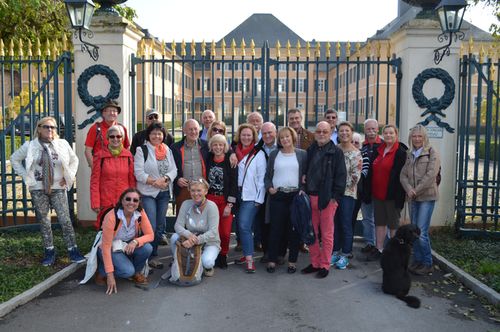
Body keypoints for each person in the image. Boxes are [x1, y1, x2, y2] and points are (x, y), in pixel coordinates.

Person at [10, 116, 85, 266]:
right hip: (38, 189)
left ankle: (73, 250)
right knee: (44, 221)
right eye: (46, 127)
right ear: (39, 128)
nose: (50, 130)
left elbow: (74, 159)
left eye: (53, 127)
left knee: (65, 220)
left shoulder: (62, 144)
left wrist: (68, 175)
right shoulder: (30, 146)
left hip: (58, 187)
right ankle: (49, 251)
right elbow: (14, 159)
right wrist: (26, 176)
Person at [301, 121, 346, 278]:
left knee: (327, 234)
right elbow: (305, 170)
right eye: (319, 131)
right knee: (312, 232)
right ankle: (315, 263)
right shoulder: (311, 149)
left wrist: (335, 198)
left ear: (330, 132)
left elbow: (341, 177)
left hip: (327, 198)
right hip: (310, 196)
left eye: (324, 132)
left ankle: (325, 265)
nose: (321, 134)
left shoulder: (336, 152)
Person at [264, 127, 307, 274]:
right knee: (276, 229)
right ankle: (272, 260)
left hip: (295, 196)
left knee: (293, 230)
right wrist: (269, 188)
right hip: (278, 196)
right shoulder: (275, 154)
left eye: (287, 137)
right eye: (282, 138)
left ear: (292, 137)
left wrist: (303, 188)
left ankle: (292, 262)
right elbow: (268, 176)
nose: (285, 140)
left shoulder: (302, 154)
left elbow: (305, 176)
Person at [134, 122, 177, 268]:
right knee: (150, 225)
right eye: (153, 133)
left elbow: (174, 170)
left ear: (163, 135)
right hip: (148, 194)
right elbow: (139, 173)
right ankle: (146, 257)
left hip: (164, 193)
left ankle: (154, 254)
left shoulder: (167, 150)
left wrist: (165, 179)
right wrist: (154, 182)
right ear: (149, 135)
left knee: (159, 226)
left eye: (159, 133)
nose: (156, 136)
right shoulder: (142, 150)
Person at [96, 188, 154, 294]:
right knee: (127, 271)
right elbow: (106, 246)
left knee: (147, 248)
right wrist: (110, 275)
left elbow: (150, 235)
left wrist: (135, 241)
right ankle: (103, 271)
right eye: (128, 199)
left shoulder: (140, 213)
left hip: (127, 244)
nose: (131, 203)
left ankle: (135, 273)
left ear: (139, 203)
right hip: (111, 247)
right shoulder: (112, 216)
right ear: (122, 201)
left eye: (135, 200)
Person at [400, 124, 440, 275]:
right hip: (412, 197)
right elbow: (403, 175)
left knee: (421, 232)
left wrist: (415, 190)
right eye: (414, 136)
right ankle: (417, 260)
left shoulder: (432, 152)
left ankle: (427, 263)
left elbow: (431, 175)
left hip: (426, 197)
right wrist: (408, 189)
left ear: (424, 137)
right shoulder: (410, 153)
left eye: (419, 136)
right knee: (413, 231)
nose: (417, 139)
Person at [366, 124, 407, 261]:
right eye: (386, 133)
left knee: (393, 224)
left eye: (391, 133)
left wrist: (399, 196)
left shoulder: (400, 152)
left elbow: (401, 176)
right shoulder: (379, 149)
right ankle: (379, 249)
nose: (388, 135)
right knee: (380, 222)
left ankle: (394, 252)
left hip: (392, 195)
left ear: (396, 135)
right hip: (377, 194)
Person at [233, 123, 267, 273]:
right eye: (243, 134)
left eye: (249, 135)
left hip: (251, 196)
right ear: (239, 136)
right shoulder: (234, 151)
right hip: (236, 194)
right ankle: (247, 252)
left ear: (253, 136)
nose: (246, 137)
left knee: (244, 226)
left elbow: (262, 179)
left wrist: (259, 200)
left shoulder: (258, 154)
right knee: (240, 227)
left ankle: (249, 260)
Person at [171, 178, 220, 277]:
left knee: (208, 262)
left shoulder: (212, 206)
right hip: (190, 238)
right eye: (193, 190)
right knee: (174, 237)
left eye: (199, 190)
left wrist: (195, 240)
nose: (195, 193)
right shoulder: (186, 204)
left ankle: (206, 266)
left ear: (205, 191)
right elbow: (178, 225)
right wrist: (188, 235)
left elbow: (213, 232)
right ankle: (178, 260)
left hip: (208, 242)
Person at [90, 125, 136, 229]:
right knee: (107, 230)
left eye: (118, 136)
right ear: (108, 138)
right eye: (112, 136)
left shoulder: (128, 156)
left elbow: (132, 181)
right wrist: (95, 202)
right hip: (106, 201)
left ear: (122, 138)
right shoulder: (100, 156)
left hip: (124, 201)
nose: (115, 139)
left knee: (124, 230)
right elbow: (94, 181)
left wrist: (133, 200)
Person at [331, 122, 362, 269]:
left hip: (347, 194)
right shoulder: (334, 149)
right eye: (341, 131)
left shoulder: (356, 153)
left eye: (347, 131)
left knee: (345, 223)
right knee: (334, 223)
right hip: (333, 194)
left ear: (351, 133)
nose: (344, 133)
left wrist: (338, 186)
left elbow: (355, 177)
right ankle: (336, 251)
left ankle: (346, 253)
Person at [206, 134, 238, 269]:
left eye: (221, 145)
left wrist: (229, 205)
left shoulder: (230, 161)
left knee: (225, 233)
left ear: (225, 147)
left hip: (224, 201)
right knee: (213, 231)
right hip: (210, 200)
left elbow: (233, 185)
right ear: (211, 146)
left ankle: (223, 254)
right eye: (215, 144)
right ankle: (213, 255)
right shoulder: (208, 159)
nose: (218, 147)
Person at [171, 119, 209, 214]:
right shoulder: (175, 148)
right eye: (190, 129)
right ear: (184, 131)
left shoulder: (206, 146)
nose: (193, 132)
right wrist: (177, 179)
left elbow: (223, 149)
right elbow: (170, 167)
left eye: (195, 129)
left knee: (201, 218)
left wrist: (232, 154)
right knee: (182, 216)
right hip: (184, 188)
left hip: (202, 189)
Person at [359, 119, 383, 255]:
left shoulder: (384, 145)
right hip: (366, 189)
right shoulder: (363, 147)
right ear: (365, 130)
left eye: (374, 129)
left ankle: (380, 245)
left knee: (379, 218)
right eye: (369, 129)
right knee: (367, 218)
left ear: (378, 129)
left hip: (380, 188)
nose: (371, 131)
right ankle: (369, 243)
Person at [84, 100, 130, 169]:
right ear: (103, 113)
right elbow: (88, 151)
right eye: (108, 110)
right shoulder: (95, 128)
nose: (112, 113)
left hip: (120, 170)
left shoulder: (122, 129)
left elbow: (127, 149)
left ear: (117, 114)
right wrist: (95, 168)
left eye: (114, 111)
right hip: (102, 170)